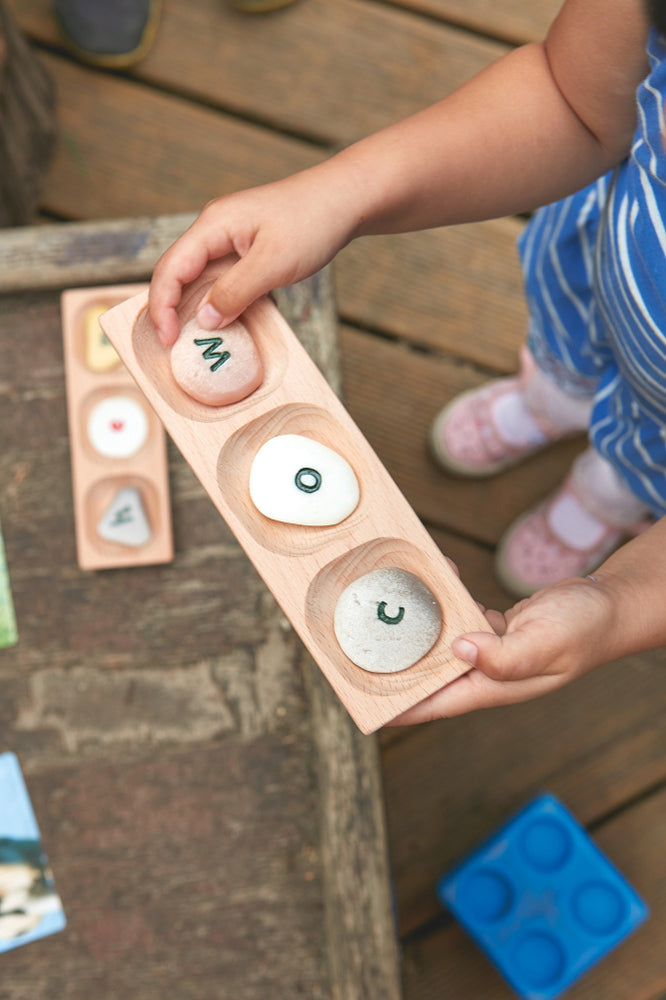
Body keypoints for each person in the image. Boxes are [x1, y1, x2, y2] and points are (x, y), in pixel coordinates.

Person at [148, 0, 666, 720]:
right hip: (603, 280)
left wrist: (621, 602)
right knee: (565, 353)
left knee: (641, 457)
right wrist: (343, 191)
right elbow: (574, 103)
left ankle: (611, 491)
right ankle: (555, 397)